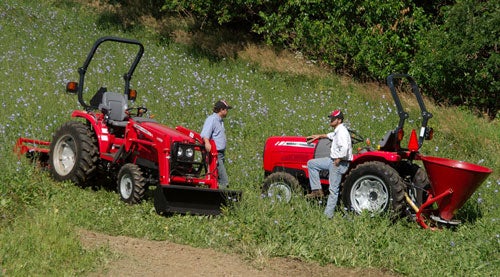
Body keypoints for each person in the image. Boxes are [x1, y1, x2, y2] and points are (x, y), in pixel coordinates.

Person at [305, 109, 353, 219]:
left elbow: (344, 148)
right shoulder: (337, 131)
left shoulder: (342, 132)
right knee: (312, 164)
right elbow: (330, 135)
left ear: (339, 120)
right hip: (332, 160)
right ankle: (317, 190)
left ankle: (328, 216)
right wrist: (318, 136)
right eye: (331, 118)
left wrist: (338, 159)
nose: (331, 120)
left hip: (339, 162)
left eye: (333, 118)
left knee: (333, 190)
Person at [200, 100, 232, 189]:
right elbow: (205, 134)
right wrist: (206, 142)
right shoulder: (212, 120)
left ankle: (213, 193)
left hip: (220, 154)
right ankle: (222, 196)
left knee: (216, 178)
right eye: (226, 109)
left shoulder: (220, 121)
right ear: (221, 110)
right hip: (215, 154)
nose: (227, 111)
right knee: (224, 181)